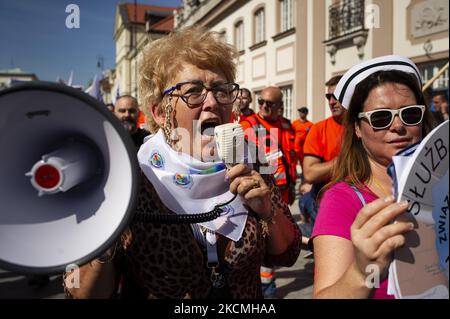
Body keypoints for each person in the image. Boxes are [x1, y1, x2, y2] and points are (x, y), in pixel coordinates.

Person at [63, 27, 301, 299]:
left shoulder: (252, 162)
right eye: (193, 91)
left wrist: (268, 211)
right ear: (160, 112)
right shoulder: (130, 178)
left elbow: (287, 255)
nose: (212, 102)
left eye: (221, 90)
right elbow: (80, 295)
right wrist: (104, 239)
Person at [311, 55, 435, 299]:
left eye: (410, 114)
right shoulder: (342, 200)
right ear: (357, 128)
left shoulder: (442, 182)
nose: (398, 126)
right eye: (380, 117)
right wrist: (362, 272)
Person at [240, 86, 298, 299]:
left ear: (280, 107)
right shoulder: (248, 126)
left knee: (281, 244)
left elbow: (290, 157)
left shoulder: (286, 126)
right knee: (264, 245)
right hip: (258, 198)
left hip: (283, 194)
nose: (264, 106)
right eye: (261, 102)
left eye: (269, 104)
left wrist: (291, 186)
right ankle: (267, 291)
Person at [299, 76, 344, 242]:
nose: (332, 102)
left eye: (337, 96)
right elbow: (310, 173)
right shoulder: (318, 129)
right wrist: (344, 161)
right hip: (326, 199)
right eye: (328, 97)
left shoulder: (365, 126)